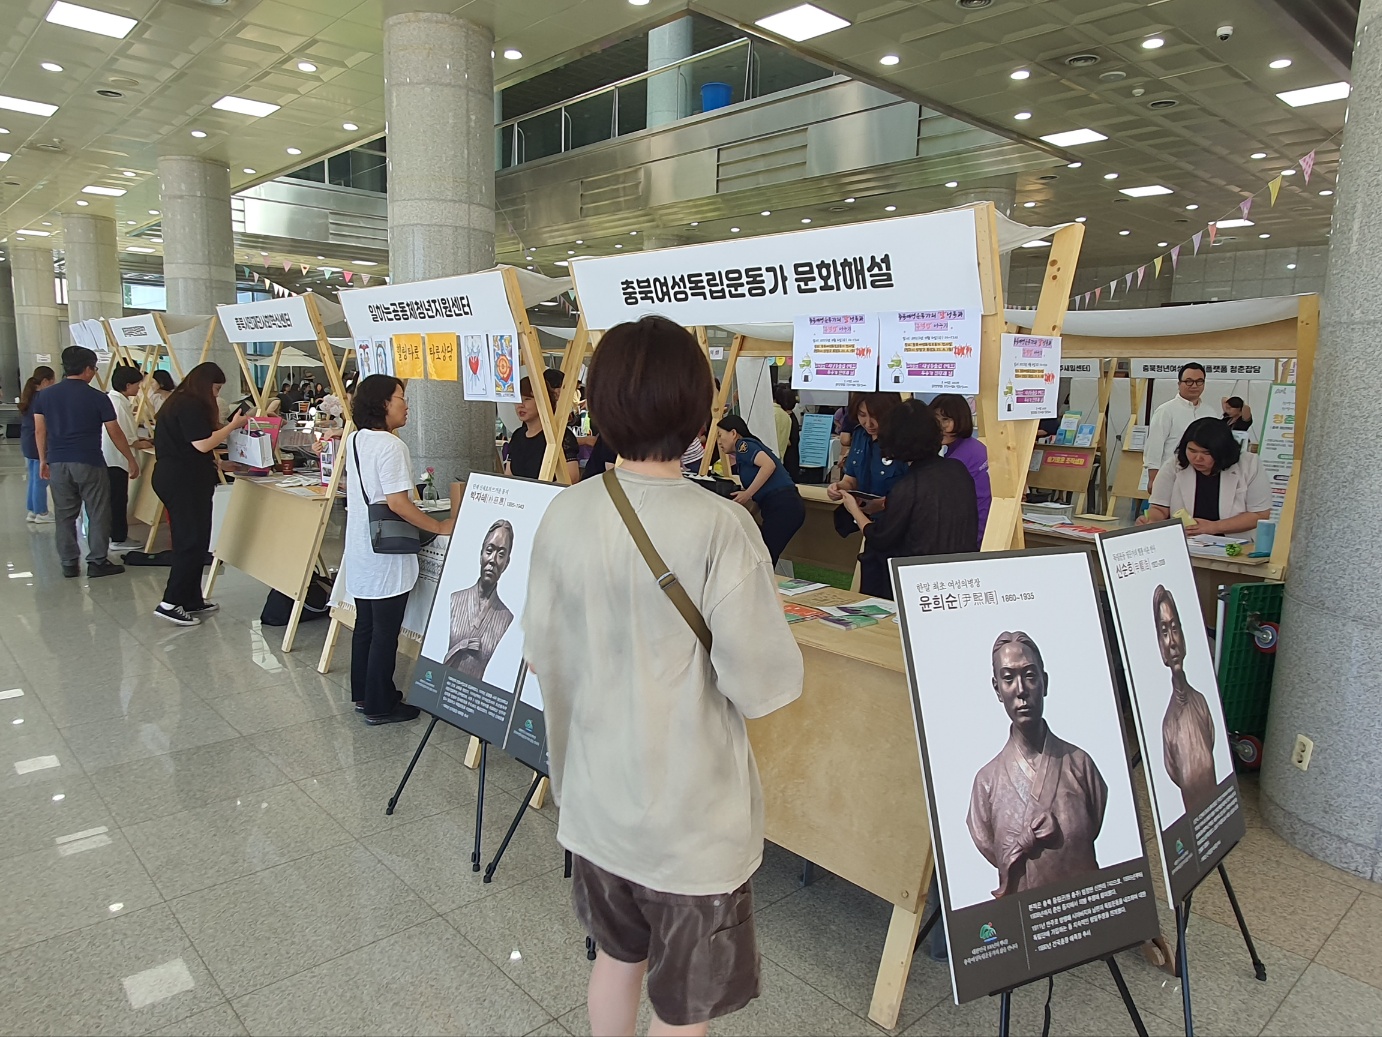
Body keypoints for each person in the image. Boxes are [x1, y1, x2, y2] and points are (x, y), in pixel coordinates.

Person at [523, 315, 803, 1037]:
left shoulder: (562, 513)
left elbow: (539, 647)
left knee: (616, 959)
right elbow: (763, 683)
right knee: (684, 1006)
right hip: (688, 824)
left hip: (594, 802)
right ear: (697, 405)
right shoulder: (722, 527)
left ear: (599, 401)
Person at [342, 375, 454, 721]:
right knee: (385, 632)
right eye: (400, 398)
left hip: (362, 546)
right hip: (386, 555)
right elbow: (398, 503)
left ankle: (363, 693)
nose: (406, 405)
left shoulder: (356, 439)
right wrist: (438, 527)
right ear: (382, 404)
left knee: (366, 625)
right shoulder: (391, 446)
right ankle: (380, 704)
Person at [968, 631, 1108, 898]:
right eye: (1008, 678)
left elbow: (1093, 823)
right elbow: (987, 843)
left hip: (1085, 911)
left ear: (1044, 682)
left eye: (1030, 676)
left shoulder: (1081, 765)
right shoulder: (985, 783)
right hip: (1026, 922)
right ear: (997, 689)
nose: (1021, 690)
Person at [840, 400, 979, 599]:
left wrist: (854, 509)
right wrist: (884, 504)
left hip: (916, 581)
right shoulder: (956, 470)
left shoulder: (909, 485)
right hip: (958, 575)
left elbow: (880, 537)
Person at [151, 363, 247, 624]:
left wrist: (221, 465)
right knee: (190, 541)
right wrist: (233, 425)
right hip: (182, 481)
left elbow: (189, 448)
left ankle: (191, 598)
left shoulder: (179, 402)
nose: (216, 395)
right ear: (206, 385)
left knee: (197, 539)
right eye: (215, 389)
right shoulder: (189, 404)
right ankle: (170, 601)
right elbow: (202, 443)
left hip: (184, 476)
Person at [33, 346, 139, 579]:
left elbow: (40, 431)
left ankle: (69, 563)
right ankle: (97, 561)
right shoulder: (98, 397)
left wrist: (43, 460)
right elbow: (115, 432)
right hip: (89, 461)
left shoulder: (45, 396)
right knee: (98, 512)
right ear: (88, 369)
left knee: (65, 515)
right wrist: (130, 458)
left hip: (58, 462)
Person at [1142, 417, 1271, 535]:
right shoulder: (1174, 465)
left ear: (1222, 451)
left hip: (1235, 545)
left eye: (1206, 453)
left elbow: (1260, 514)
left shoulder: (1249, 465)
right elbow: (1160, 508)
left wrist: (1215, 527)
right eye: (1192, 450)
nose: (1197, 458)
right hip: (1187, 542)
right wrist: (1152, 520)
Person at [1152, 586, 1219, 815]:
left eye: (1174, 629)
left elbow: (1211, 741)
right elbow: (1173, 773)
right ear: (1160, 647)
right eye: (1164, 632)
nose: (1172, 642)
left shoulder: (1201, 701)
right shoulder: (1168, 723)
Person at [716, 415, 805, 565]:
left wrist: (747, 494)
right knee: (761, 552)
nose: (719, 441)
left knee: (764, 556)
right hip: (781, 505)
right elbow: (762, 490)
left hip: (783, 505)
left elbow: (769, 465)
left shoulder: (744, 445)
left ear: (733, 433)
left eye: (720, 435)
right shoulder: (745, 452)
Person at [443, 520, 515, 677]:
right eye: (489, 551)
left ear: (507, 563)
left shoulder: (505, 616)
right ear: (481, 553)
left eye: (501, 554)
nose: (492, 560)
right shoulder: (456, 599)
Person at [826, 393, 904, 531]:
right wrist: (838, 488)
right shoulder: (859, 435)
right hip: (864, 522)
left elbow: (916, 494)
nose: (869, 423)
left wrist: (884, 504)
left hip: (897, 524)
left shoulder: (904, 442)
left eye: (876, 416)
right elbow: (851, 479)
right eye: (862, 415)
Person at [930, 394, 992, 546]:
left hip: (973, 536)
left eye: (946, 420)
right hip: (986, 530)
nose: (940, 426)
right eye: (935, 419)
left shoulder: (958, 459)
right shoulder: (974, 446)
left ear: (961, 419)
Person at [1143, 363, 1213, 494]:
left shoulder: (1210, 412)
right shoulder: (1166, 411)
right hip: (1171, 476)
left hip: (1203, 478)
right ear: (1179, 383)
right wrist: (1153, 478)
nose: (1194, 386)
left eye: (1199, 381)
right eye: (1189, 381)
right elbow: (1154, 446)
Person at [104, 366, 153, 547]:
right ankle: (118, 538)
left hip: (111, 457)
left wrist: (137, 439)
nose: (139, 388)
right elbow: (122, 435)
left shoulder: (116, 401)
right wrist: (138, 445)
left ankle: (115, 535)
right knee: (118, 500)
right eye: (137, 385)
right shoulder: (118, 404)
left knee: (115, 499)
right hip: (116, 459)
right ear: (127, 385)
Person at [505, 375, 580, 483]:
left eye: (527, 399)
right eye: (517, 399)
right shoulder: (518, 435)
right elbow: (508, 474)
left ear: (543, 401)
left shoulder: (561, 435)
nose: (520, 405)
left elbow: (571, 478)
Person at [18, 366, 55, 524]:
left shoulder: (30, 396)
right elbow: (41, 428)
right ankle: (42, 512)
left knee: (33, 478)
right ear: (46, 381)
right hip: (37, 442)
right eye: (53, 381)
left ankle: (32, 510)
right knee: (41, 478)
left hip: (27, 441)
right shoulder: (43, 398)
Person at [773, 384, 801, 481]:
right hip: (788, 458)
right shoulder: (789, 417)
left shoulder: (775, 414)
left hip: (783, 458)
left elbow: (790, 441)